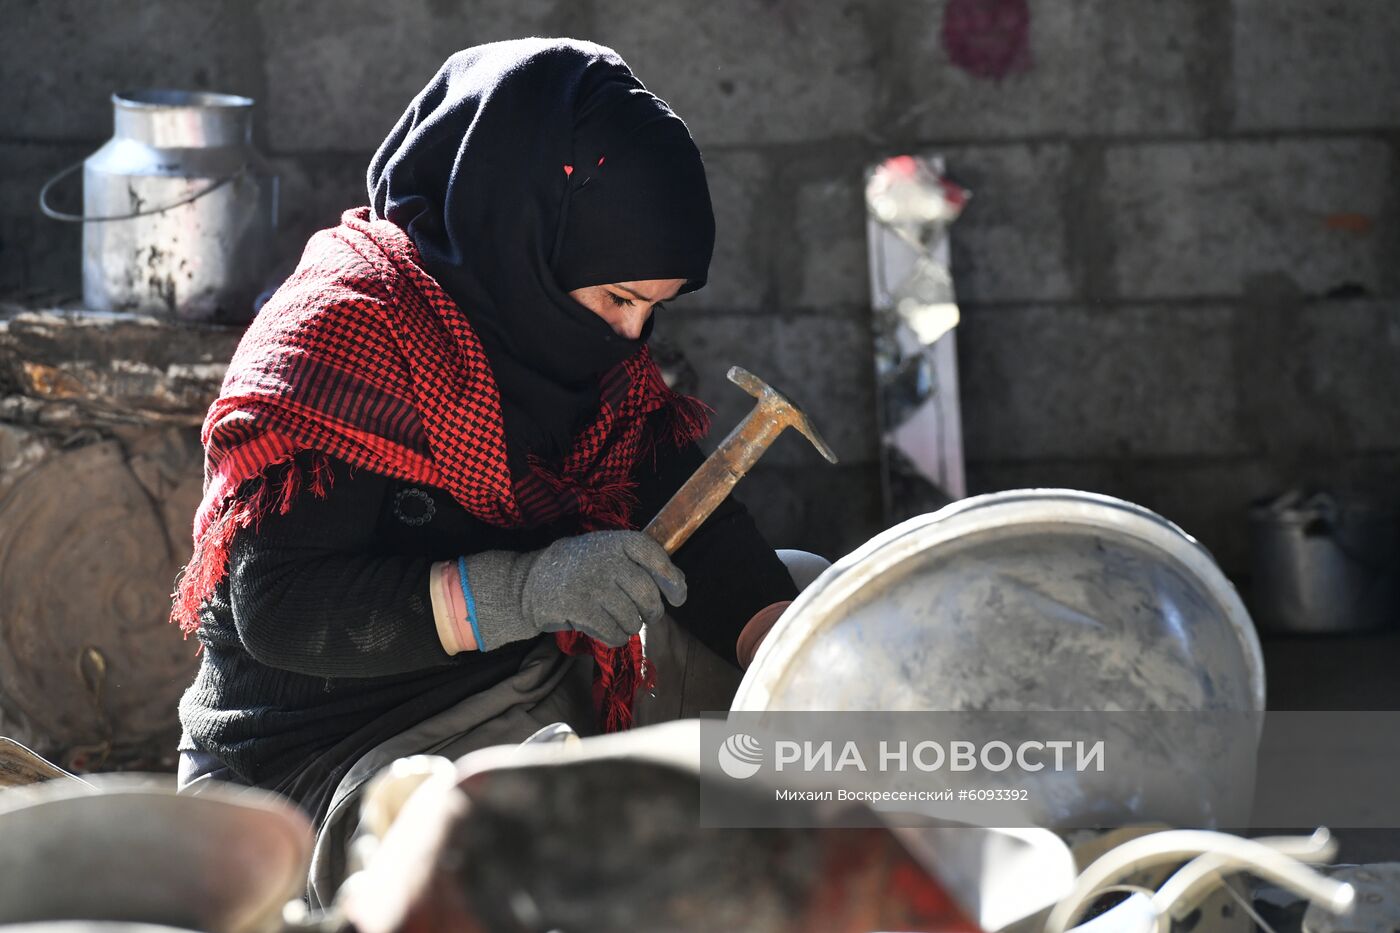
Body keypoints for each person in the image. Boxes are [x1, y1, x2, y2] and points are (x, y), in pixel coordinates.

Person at [168, 38, 804, 900]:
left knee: (811, 648)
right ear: (525, 240)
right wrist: (525, 591)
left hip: (530, 690)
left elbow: (694, 516)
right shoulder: (348, 334)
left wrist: (799, 653)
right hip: (333, 758)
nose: (630, 337)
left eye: (652, 311)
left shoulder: (575, 346)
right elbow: (281, 611)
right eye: (618, 300)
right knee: (527, 857)